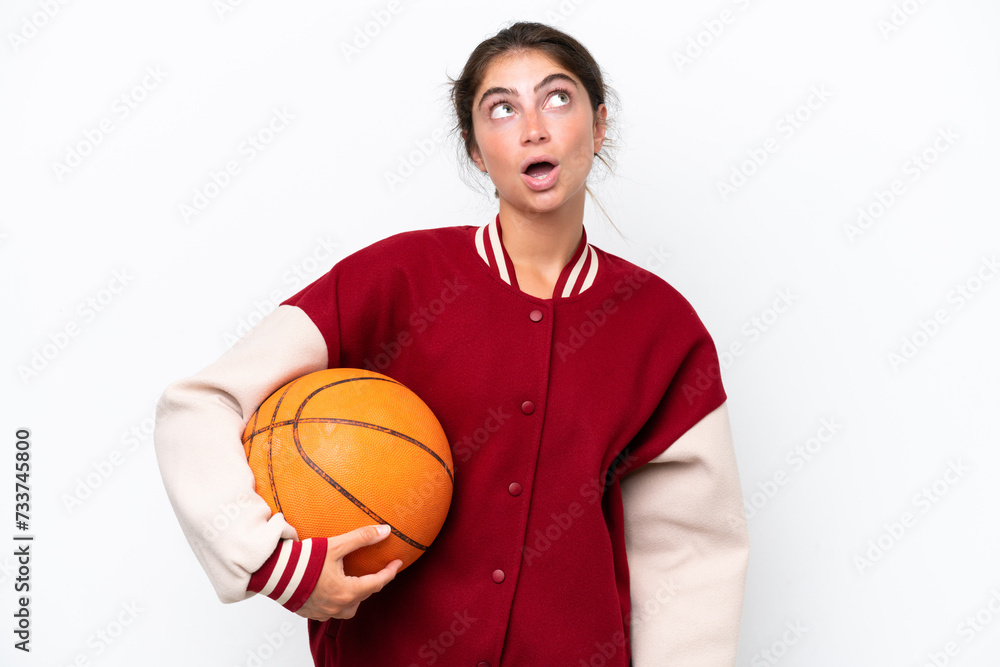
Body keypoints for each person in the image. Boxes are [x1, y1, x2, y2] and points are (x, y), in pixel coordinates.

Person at [153, 20, 750, 667]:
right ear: (474, 148)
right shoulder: (396, 279)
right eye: (502, 108)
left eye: (557, 97)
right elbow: (200, 405)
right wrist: (272, 560)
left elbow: (691, 555)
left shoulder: (661, 326)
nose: (534, 128)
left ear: (599, 124)